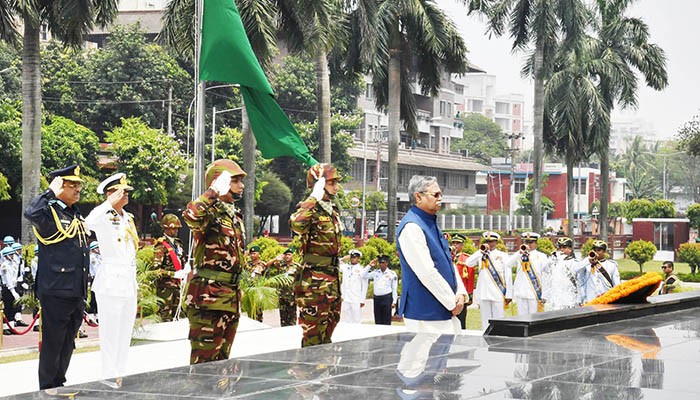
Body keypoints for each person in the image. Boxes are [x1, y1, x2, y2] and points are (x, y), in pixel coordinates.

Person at [23, 164, 90, 390]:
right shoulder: (49, 211)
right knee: (53, 342)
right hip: (56, 288)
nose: (78, 189)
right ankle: (47, 386)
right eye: (73, 185)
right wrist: (49, 192)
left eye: (79, 185)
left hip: (75, 289)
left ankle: (59, 382)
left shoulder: (74, 213)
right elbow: (30, 213)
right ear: (60, 185)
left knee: (68, 342)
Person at [182, 159, 247, 364]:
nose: (241, 185)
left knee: (222, 364)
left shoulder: (234, 215)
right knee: (204, 365)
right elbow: (191, 216)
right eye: (235, 181)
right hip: (208, 299)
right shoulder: (210, 212)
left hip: (229, 297)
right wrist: (212, 192)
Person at [85, 173, 139, 388]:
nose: (126, 195)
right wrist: (108, 203)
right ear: (110, 193)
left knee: (125, 331)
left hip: (128, 281)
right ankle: (108, 374)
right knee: (110, 332)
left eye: (126, 191)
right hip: (111, 281)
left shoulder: (128, 217)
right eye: (121, 191)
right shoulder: (103, 215)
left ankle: (121, 373)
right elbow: (88, 223)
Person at [396, 175, 467, 334]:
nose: (440, 198)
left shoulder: (430, 223)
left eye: (441, 194)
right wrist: (452, 302)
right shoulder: (412, 227)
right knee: (426, 358)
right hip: (425, 312)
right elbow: (426, 272)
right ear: (418, 196)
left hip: (443, 309)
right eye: (435, 195)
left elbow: (448, 262)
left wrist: (461, 294)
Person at [290, 163, 343, 347]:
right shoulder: (308, 209)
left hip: (332, 282)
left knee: (326, 340)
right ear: (318, 184)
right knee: (312, 340)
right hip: (314, 286)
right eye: (331, 183)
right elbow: (296, 225)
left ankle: (322, 373)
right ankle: (306, 374)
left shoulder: (332, 212)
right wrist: (313, 197)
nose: (336, 187)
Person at [466, 231, 512, 330]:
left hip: (498, 292)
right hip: (484, 292)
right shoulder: (480, 254)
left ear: (496, 242)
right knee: (485, 321)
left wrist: (509, 294)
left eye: (491, 242)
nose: (489, 244)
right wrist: (479, 252)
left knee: (498, 319)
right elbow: (468, 263)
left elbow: (508, 275)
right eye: (487, 241)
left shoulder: (502, 255)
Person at [152, 214, 188, 322]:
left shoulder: (178, 244)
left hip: (177, 285)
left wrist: (186, 268)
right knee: (165, 317)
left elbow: (182, 259)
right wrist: (173, 274)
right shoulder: (161, 246)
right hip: (166, 289)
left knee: (178, 316)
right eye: (173, 228)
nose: (176, 230)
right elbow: (156, 271)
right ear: (166, 228)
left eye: (177, 228)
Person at [506, 232, 550, 316]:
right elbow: (508, 264)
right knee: (522, 318)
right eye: (526, 242)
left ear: (536, 243)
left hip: (534, 293)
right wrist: (519, 253)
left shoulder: (541, 256)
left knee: (534, 318)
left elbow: (546, 276)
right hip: (521, 292)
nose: (528, 245)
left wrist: (545, 294)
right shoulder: (519, 255)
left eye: (531, 242)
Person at [263, 246, 300, 326]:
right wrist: (276, 259)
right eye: (286, 255)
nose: (287, 256)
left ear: (293, 255)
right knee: (283, 319)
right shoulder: (280, 265)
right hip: (281, 296)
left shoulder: (297, 267)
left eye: (289, 254)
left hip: (292, 296)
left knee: (292, 319)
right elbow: (267, 265)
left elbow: (300, 280)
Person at [544, 237, 584, 310]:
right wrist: (551, 258)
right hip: (557, 299)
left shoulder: (575, 263)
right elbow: (547, 275)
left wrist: (580, 299)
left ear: (570, 249)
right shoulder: (554, 262)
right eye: (560, 247)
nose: (562, 250)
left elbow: (580, 282)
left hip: (570, 299)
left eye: (564, 247)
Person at [365, 254, 398, 325]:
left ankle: (386, 335)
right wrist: (369, 266)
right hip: (377, 299)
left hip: (387, 298)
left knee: (386, 320)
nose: (381, 264)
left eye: (383, 262)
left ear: (387, 263)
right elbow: (363, 275)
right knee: (378, 320)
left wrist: (394, 301)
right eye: (380, 262)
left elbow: (394, 288)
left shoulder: (392, 273)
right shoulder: (376, 272)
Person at [450, 233, 474, 329]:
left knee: (461, 319)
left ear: (462, 245)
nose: (455, 245)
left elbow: (470, 277)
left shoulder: (466, 258)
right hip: (449, 292)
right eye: (453, 243)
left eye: (458, 243)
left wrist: (469, 294)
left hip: (461, 293)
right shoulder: (446, 256)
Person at [339, 249, 369, 324]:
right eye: (351, 257)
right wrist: (343, 258)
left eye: (355, 257)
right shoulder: (345, 267)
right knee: (346, 319)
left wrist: (362, 299)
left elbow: (365, 285)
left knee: (356, 320)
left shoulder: (361, 269)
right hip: (346, 297)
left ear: (358, 259)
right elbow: (336, 263)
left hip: (356, 298)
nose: (353, 259)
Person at [85, 241, 100, 325]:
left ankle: (97, 316)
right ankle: (92, 316)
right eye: (97, 247)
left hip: (100, 278)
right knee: (94, 298)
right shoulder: (92, 257)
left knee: (98, 298)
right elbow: (92, 269)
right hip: (95, 278)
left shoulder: (99, 257)